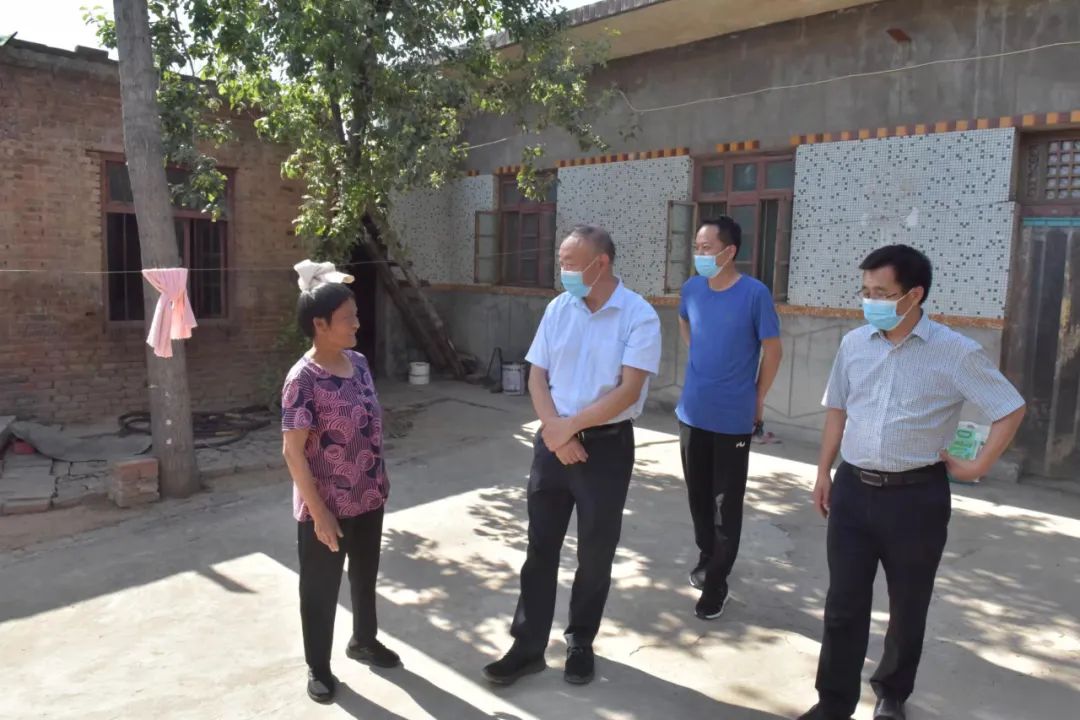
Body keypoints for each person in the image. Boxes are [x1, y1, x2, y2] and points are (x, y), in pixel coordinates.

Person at [798, 245, 1026, 720]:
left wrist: (977, 466)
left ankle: (892, 693)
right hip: (853, 490)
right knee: (843, 604)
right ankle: (833, 702)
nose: (870, 301)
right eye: (865, 291)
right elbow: (837, 408)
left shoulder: (955, 351)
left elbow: (1009, 407)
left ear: (914, 294)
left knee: (908, 606)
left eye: (882, 293)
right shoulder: (854, 344)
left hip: (916, 499)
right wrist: (823, 471)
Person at [482, 225, 662, 687]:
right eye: (561, 262)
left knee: (595, 553)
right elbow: (536, 375)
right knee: (540, 547)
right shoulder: (558, 308)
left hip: (606, 448)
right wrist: (557, 433)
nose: (562, 272)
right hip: (553, 442)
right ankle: (527, 646)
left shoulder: (638, 315)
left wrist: (569, 428)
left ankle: (580, 641)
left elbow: (629, 390)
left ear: (601, 263)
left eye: (570, 263)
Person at [281, 260, 401, 704]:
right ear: (320, 324)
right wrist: (319, 513)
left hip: (369, 494)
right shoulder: (303, 380)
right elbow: (293, 452)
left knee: (365, 577)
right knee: (320, 588)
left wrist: (378, 479)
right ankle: (318, 666)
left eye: (356, 315)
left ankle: (364, 641)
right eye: (348, 318)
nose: (356, 324)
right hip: (326, 506)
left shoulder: (360, 363)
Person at [677, 217, 782, 619]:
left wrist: (758, 398)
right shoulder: (692, 289)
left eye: (706, 248)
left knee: (725, 502)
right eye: (697, 247)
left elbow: (773, 351)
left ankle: (717, 581)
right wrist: (699, 353)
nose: (699, 254)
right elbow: (684, 320)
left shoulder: (754, 294)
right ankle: (707, 557)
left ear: (729, 251)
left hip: (733, 416)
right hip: (692, 410)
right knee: (698, 497)